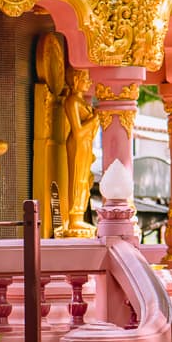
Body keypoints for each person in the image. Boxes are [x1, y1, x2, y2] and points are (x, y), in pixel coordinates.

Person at [61, 68, 99, 234]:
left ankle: (80, 217)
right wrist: (95, 118)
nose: (89, 82)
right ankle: (74, 218)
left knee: (84, 180)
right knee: (77, 179)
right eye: (85, 79)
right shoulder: (72, 102)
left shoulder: (83, 102)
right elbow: (77, 131)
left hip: (86, 144)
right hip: (77, 143)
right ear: (75, 81)